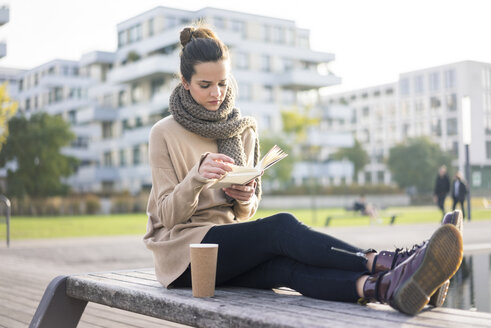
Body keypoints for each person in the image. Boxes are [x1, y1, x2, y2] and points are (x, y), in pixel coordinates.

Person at [143, 25, 464, 316]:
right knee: (281, 227)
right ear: (185, 82)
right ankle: (393, 263)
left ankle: (386, 288)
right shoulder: (164, 133)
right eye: (205, 84)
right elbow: (167, 217)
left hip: (229, 245)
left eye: (223, 83)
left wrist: (244, 196)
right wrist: (196, 177)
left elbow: (244, 215)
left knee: (285, 270)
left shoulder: (240, 129)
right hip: (185, 255)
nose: (216, 93)